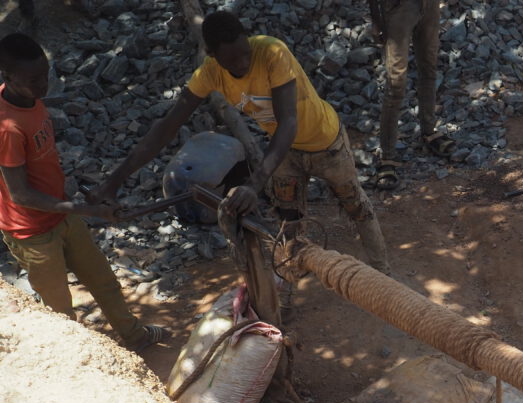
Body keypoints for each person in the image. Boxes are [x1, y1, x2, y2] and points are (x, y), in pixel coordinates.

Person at [89, 10, 389, 273]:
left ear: (248, 38)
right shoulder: (209, 73)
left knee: (357, 208)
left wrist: (254, 183)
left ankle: (383, 276)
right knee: (288, 220)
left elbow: (289, 123)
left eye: (245, 52)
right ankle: (288, 283)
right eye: (232, 59)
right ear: (212, 54)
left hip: (327, 143)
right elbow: (166, 127)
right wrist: (114, 182)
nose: (243, 62)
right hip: (285, 152)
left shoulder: (272, 52)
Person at [0, 33, 165, 352]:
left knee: (104, 282)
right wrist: (86, 210)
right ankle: (81, 364)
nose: (43, 85)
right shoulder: (7, 127)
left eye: (45, 74)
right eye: (34, 79)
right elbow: (20, 195)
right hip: (31, 233)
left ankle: (134, 336)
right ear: (8, 75)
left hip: (61, 215)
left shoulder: (29, 99)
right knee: (59, 311)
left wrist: (80, 202)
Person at [368, 0, 454, 190]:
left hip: (429, 6)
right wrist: (376, 19)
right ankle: (387, 157)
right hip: (399, 8)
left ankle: (429, 132)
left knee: (429, 70)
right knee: (396, 84)